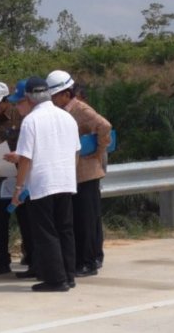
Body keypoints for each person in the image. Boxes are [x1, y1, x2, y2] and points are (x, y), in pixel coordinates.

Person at [7, 76, 80, 292]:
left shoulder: (31, 121)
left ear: (29, 98)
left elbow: (26, 158)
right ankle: (68, 275)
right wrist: (68, 174)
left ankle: (55, 279)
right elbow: (76, 151)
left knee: (46, 232)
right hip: (65, 182)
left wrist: (18, 189)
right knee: (65, 230)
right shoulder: (66, 117)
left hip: (42, 184)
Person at [47, 70, 112, 276]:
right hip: (74, 173)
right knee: (79, 218)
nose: (52, 99)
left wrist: (99, 151)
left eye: (55, 95)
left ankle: (89, 261)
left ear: (66, 94)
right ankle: (82, 258)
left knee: (86, 219)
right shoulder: (63, 111)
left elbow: (104, 126)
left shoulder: (80, 109)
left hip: (87, 172)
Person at [0, 81, 33, 276]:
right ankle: (2, 261)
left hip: (20, 177)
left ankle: (31, 257)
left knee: (26, 221)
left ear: (6, 101)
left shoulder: (20, 116)